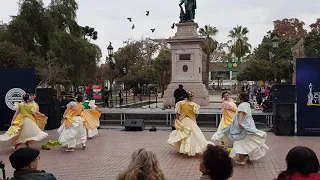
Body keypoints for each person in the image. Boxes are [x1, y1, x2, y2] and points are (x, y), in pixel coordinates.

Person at [222, 92, 269, 165]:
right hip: (247, 126)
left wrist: (240, 123)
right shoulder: (247, 104)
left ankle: (242, 160)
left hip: (243, 127)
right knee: (245, 142)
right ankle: (245, 158)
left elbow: (242, 113)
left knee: (240, 142)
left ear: (240, 97)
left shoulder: (243, 105)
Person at [168, 91, 214, 156]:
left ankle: (184, 148)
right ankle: (189, 148)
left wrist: (178, 119)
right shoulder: (194, 105)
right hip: (190, 120)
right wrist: (193, 118)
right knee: (193, 134)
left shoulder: (180, 103)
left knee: (184, 133)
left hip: (183, 120)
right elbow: (196, 114)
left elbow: (177, 112)